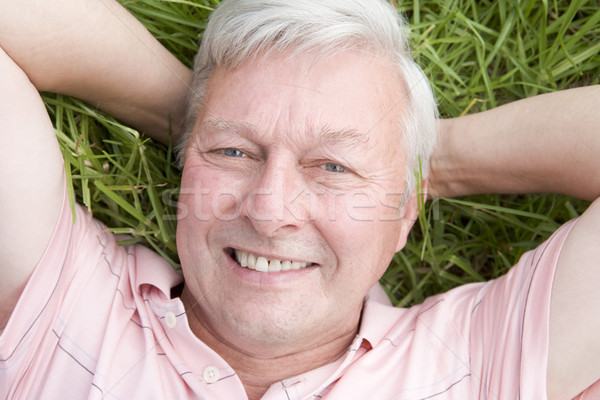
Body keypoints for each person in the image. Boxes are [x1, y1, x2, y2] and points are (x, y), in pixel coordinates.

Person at [0, 0, 598, 399]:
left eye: (333, 166)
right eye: (233, 153)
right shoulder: (63, 303)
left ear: (405, 216)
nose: (269, 208)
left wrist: (435, 161)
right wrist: (181, 113)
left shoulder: (481, 362)